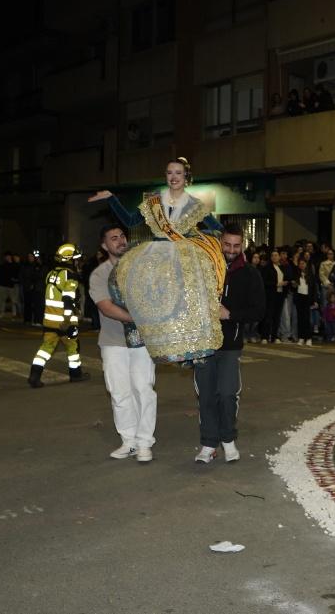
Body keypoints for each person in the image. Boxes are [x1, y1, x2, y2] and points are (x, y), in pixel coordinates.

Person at [89, 157, 225, 363]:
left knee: (193, 289)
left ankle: (192, 346)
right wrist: (111, 198)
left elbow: (218, 230)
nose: (173, 177)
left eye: (178, 173)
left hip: (184, 256)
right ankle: (139, 331)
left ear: (186, 176)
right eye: (170, 173)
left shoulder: (196, 205)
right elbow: (130, 221)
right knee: (128, 281)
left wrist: (199, 238)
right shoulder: (153, 201)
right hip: (154, 254)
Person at [193, 224, 265, 464]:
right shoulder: (202, 269)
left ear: (242, 245)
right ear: (219, 243)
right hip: (203, 344)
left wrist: (230, 315)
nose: (231, 250)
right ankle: (208, 444)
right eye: (227, 244)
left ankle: (227, 439)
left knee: (226, 394)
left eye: (236, 245)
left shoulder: (250, 273)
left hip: (230, 345)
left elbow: (259, 311)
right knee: (206, 397)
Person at [90, 225, 157, 463]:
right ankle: (128, 441)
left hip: (141, 342)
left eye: (122, 237)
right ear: (104, 245)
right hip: (113, 342)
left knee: (143, 389)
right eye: (113, 238)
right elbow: (106, 307)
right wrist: (135, 318)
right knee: (119, 393)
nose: (120, 241)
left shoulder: (141, 270)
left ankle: (144, 443)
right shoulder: (99, 274)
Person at [27, 243, 90, 388]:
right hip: (64, 321)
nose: (78, 262)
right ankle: (76, 375)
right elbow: (67, 299)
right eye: (76, 259)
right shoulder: (70, 276)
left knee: (46, 348)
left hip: (49, 320)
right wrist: (68, 319)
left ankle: (34, 376)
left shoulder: (51, 273)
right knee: (73, 347)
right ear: (69, 260)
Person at [292, 258, 318, 346]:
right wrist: (294, 285)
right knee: (300, 319)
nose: (302, 265)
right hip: (299, 297)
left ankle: (309, 338)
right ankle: (301, 337)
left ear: (306, 264)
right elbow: (294, 287)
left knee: (307, 319)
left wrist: (314, 300)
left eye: (303, 263)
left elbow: (314, 288)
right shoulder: (296, 274)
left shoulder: (310, 275)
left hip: (307, 298)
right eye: (300, 264)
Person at [0, 253, 19, 317]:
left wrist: (15, 280)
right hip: (3, 285)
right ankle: (1, 312)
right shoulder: (2, 266)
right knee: (2, 300)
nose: (7, 258)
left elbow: (18, 274)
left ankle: (14, 313)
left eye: (9, 256)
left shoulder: (15, 265)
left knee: (13, 300)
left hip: (11, 286)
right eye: (6, 257)